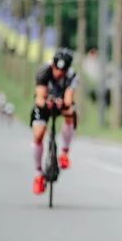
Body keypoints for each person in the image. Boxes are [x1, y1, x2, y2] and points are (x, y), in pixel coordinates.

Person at [29, 48, 79, 195]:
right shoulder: (43, 71)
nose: (59, 74)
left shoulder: (72, 76)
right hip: (45, 102)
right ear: (53, 66)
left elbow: (69, 99)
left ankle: (64, 153)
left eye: (62, 72)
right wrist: (46, 103)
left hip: (61, 103)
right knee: (38, 134)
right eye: (57, 69)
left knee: (70, 114)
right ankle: (38, 175)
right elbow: (39, 98)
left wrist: (63, 105)